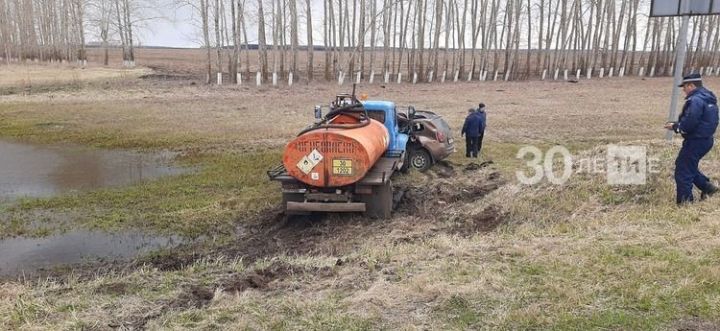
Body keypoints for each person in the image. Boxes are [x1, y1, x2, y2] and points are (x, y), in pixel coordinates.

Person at [664, 73, 719, 204]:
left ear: (691, 85)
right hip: (706, 140)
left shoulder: (695, 100)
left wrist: (677, 127)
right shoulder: (708, 98)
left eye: (684, 86)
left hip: (696, 141)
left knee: (683, 171)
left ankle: (685, 203)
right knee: (687, 166)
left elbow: (690, 122)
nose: (683, 89)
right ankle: (708, 188)